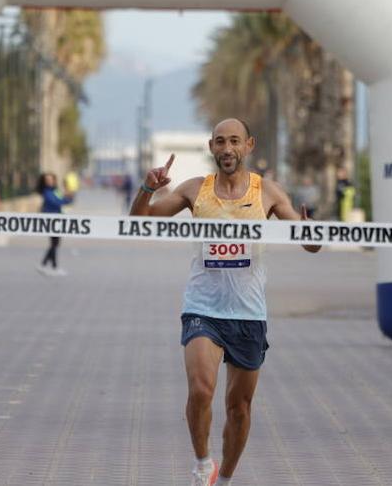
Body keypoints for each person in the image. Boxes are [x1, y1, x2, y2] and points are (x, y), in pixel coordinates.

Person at [132, 118, 320, 486]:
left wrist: (310, 230)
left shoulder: (266, 191)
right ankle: (203, 464)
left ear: (249, 146)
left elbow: (309, 244)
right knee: (201, 390)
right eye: (220, 142)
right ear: (211, 147)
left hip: (248, 313)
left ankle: (226, 478)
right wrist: (146, 188)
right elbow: (140, 221)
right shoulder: (194, 190)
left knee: (239, 409)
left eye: (234, 141)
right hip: (203, 308)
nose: (227, 148)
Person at [36, 173, 73, 276]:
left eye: (51, 179)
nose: (49, 181)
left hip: (57, 219)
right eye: (47, 180)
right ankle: (47, 265)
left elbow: (63, 201)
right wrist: (65, 199)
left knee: (55, 243)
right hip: (50, 220)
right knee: (54, 243)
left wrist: (69, 197)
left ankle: (50, 266)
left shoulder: (55, 191)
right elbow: (57, 202)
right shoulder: (46, 192)